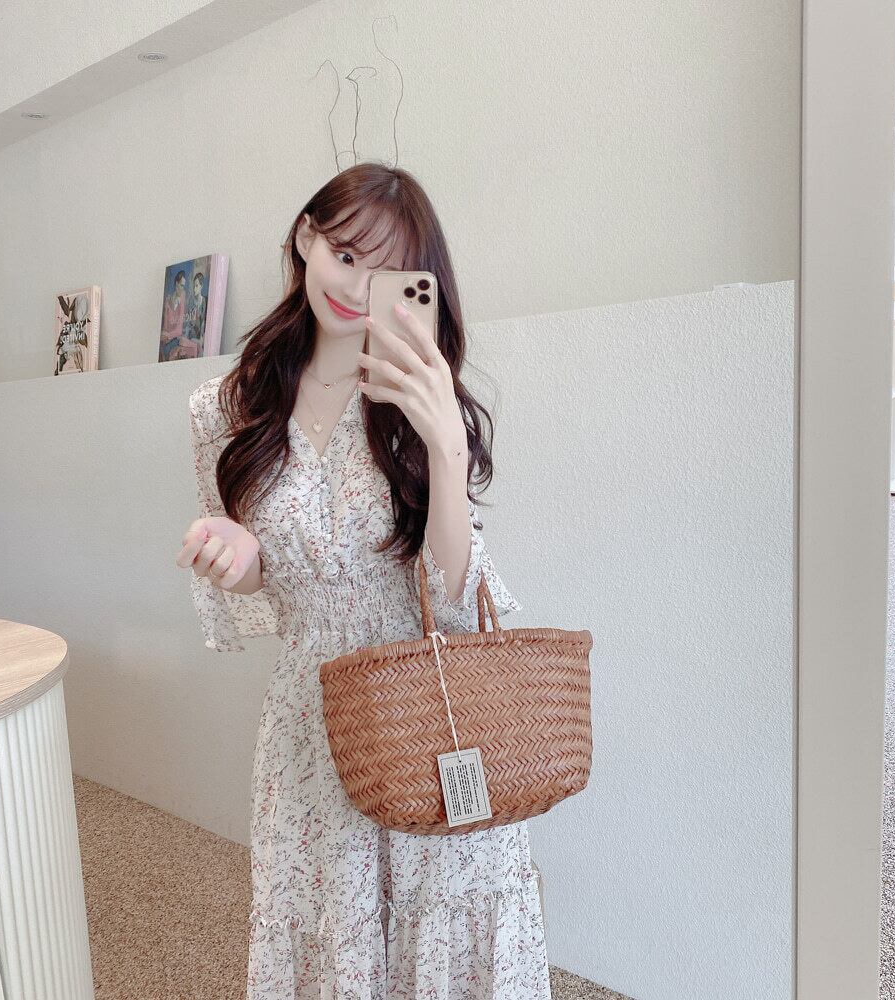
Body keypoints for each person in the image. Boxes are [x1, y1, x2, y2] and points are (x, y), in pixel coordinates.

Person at [174, 162, 550, 999]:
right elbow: (264, 580)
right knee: (328, 924)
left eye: (385, 272)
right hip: (314, 718)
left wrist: (445, 448)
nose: (354, 287)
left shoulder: (418, 394)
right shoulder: (225, 409)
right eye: (344, 255)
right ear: (306, 239)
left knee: (441, 923)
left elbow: (455, 600)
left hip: (431, 704)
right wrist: (238, 556)